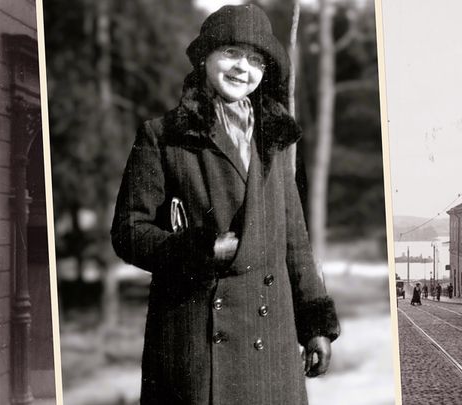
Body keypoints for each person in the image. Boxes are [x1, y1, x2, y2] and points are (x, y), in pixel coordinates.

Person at [110, 5, 340, 404]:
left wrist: (314, 324)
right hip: (197, 337)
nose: (242, 69)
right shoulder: (163, 136)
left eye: (256, 60)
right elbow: (129, 231)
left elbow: (295, 242)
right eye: (231, 53)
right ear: (206, 57)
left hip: (271, 341)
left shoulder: (277, 139)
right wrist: (200, 250)